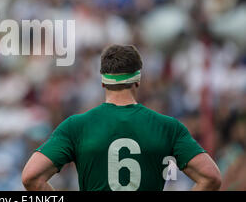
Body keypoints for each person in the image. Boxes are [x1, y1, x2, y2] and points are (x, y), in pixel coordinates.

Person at [22, 45, 222, 191]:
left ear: (103, 82)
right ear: (138, 81)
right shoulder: (168, 127)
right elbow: (210, 177)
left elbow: (32, 177)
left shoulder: (76, 126)